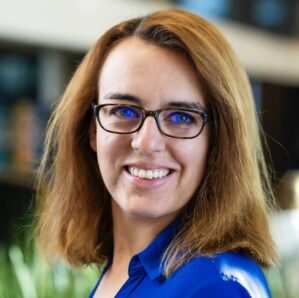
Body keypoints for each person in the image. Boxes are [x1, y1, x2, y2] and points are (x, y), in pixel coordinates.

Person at [34, 8, 277, 298]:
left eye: (181, 117)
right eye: (123, 110)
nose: (146, 142)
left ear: (219, 143)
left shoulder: (218, 287)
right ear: (92, 131)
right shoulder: (120, 271)